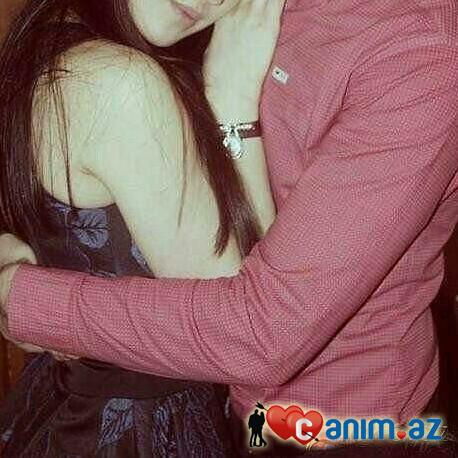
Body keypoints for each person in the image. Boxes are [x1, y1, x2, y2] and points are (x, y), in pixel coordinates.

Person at [1, 0, 458, 456]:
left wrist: (25, 299)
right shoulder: (147, 38)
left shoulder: (422, 52)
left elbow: (263, 337)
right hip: (161, 410)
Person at [0, 0, 284, 456]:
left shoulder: (50, 37)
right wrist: (233, 103)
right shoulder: (119, 84)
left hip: (66, 407)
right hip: (137, 431)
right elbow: (248, 336)